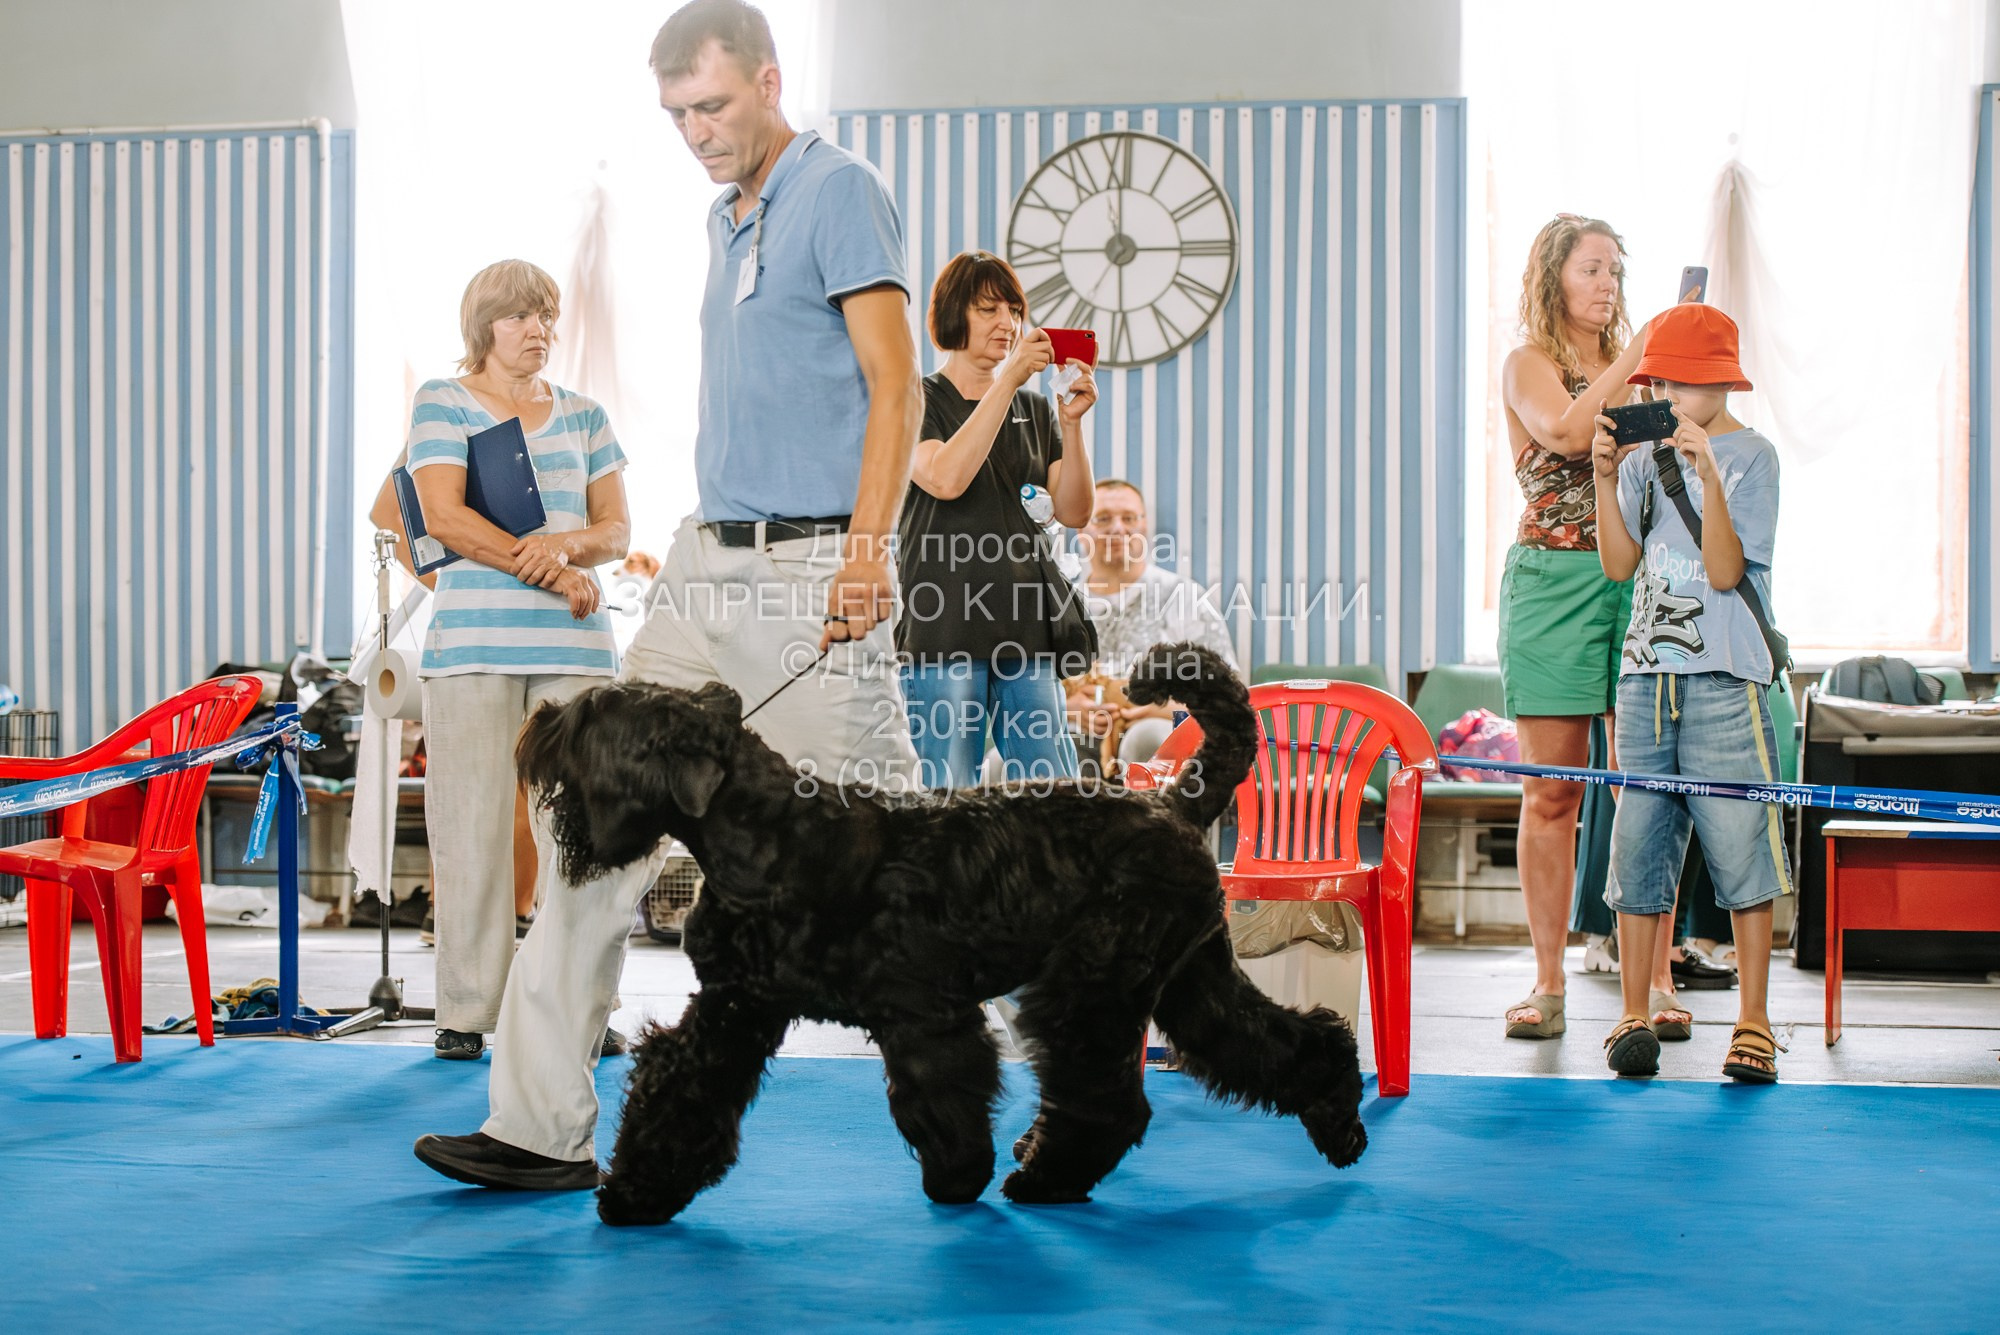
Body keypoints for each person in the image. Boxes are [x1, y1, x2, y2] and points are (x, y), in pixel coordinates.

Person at [414, 0, 923, 1190]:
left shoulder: (839, 190)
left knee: (884, 860)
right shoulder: (720, 214)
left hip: (810, 572)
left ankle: (993, 1088)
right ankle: (538, 1126)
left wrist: (865, 550)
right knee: (589, 824)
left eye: (712, 106)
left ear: (767, 79)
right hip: (701, 574)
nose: (695, 132)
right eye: (676, 115)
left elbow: (892, 389)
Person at [405, 259, 633, 1061]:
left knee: (587, 830)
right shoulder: (443, 399)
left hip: (573, 645)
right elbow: (443, 515)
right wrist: (549, 568)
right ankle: (468, 1011)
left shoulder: (584, 415)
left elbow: (617, 531)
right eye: (520, 317)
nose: (538, 330)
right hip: (470, 646)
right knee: (469, 828)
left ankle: (582, 1007)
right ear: (484, 326)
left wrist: (567, 547)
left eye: (546, 316)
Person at [1590, 303, 1789, 1081]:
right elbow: (1616, 565)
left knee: (1742, 845)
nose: (1664, 392)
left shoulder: (1754, 458)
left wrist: (1706, 469)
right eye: (1658, 380)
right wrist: (1607, 479)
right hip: (1645, 679)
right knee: (1637, 845)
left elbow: (1725, 571)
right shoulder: (1642, 461)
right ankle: (1631, 1012)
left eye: (1677, 379)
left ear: (1718, 380)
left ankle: (1755, 1020)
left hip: (1724, 677)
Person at [1495, 215, 1652, 1041]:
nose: (1608, 285)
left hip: (1639, 585)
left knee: (1646, 789)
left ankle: (1650, 981)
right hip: (1553, 584)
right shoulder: (1529, 362)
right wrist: (1631, 363)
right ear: (1553, 275)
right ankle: (1549, 982)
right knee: (1552, 792)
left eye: (1616, 272)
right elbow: (1561, 431)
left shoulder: (1641, 372)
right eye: (1592, 269)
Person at [897, 251, 1098, 788]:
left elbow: (1074, 510)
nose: (1007, 324)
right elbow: (945, 477)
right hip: (943, 632)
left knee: (1054, 798)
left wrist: (1071, 425)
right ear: (952, 316)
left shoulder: (1034, 411)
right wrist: (1006, 381)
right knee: (947, 796)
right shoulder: (915, 399)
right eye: (989, 309)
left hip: (1028, 632)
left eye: (1014, 310)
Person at [1068, 479, 1239, 764]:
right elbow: (1026, 688)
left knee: (1146, 737)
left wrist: (1167, 709)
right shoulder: (1063, 605)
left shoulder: (1183, 597)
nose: (1117, 529)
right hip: (1079, 738)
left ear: (1144, 526)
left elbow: (1231, 693)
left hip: (1161, 732)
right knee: (1015, 757)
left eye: (1129, 518)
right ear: (1081, 529)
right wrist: (1067, 708)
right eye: (1102, 518)